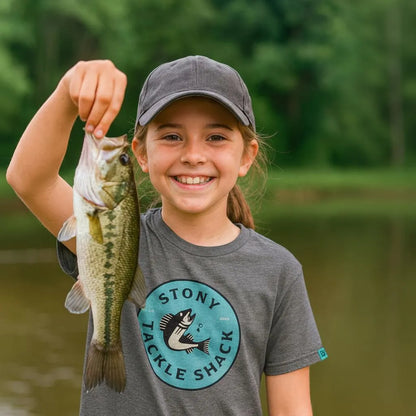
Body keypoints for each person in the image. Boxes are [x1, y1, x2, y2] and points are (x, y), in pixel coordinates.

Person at [7, 56, 327, 415]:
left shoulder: (279, 271)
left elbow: (292, 409)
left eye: (216, 137)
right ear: (141, 153)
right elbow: (29, 179)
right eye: (172, 136)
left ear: (246, 156)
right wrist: (69, 92)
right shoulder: (115, 234)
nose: (193, 155)